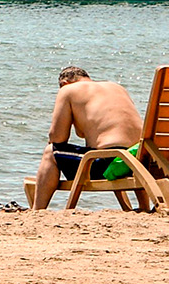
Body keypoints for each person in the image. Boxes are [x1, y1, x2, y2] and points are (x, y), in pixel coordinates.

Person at [31, 65, 144, 210]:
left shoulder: (68, 90)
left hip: (108, 162)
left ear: (64, 83)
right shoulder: (116, 88)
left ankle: (37, 210)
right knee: (112, 152)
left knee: (50, 152)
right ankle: (142, 207)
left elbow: (57, 138)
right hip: (140, 161)